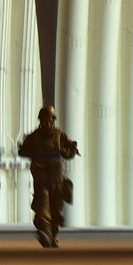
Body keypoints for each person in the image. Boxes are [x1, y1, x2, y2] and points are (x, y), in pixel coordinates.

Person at [17, 105, 79, 248]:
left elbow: (70, 153)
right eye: (44, 119)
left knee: (56, 208)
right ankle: (45, 232)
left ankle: (53, 234)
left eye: (49, 119)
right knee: (42, 205)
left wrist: (69, 150)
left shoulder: (59, 135)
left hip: (56, 178)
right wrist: (25, 150)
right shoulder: (33, 137)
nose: (46, 122)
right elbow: (23, 151)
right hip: (41, 178)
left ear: (53, 120)